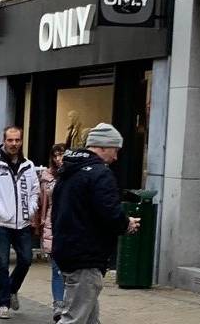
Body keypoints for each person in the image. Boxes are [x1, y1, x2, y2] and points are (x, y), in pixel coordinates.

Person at [52, 125, 139, 324]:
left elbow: (58, 212)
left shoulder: (68, 172)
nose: (116, 157)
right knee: (75, 317)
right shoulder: (99, 174)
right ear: (103, 147)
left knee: (89, 317)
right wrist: (126, 224)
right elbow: (109, 212)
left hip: (69, 250)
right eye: (115, 150)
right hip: (87, 255)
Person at [0, 126, 40, 318]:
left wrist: (30, 210)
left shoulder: (29, 166)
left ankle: (12, 288)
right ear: (4, 141)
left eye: (17, 140)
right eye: (10, 140)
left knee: (26, 260)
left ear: (21, 141)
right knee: (2, 264)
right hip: (1, 225)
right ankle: (3, 304)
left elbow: (35, 192)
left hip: (22, 224)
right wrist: (1, 212)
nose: (14, 144)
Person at [35, 143, 68, 320]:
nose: (58, 159)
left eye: (61, 154)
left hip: (71, 224)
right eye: (55, 155)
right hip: (52, 222)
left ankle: (68, 303)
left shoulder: (74, 174)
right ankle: (58, 304)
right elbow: (41, 202)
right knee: (56, 268)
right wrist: (38, 222)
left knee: (68, 269)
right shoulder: (46, 176)